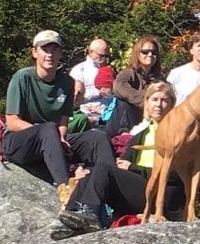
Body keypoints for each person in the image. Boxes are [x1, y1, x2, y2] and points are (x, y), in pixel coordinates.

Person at [0, 30, 114, 202]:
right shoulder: (22, 78)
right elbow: (12, 122)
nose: (50, 55)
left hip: (51, 141)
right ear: (34, 52)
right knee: (48, 129)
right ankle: (65, 190)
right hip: (19, 142)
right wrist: (48, 134)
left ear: (60, 53)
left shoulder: (66, 82)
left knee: (98, 137)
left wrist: (59, 137)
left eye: (55, 49)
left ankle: (111, 188)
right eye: (45, 49)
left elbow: (63, 121)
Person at [58, 81, 186, 233]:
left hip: (163, 196)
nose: (159, 104)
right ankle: (71, 218)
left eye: (165, 100)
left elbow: (177, 175)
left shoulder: (179, 134)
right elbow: (120, 165)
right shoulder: (141, 135)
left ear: (172, 105)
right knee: (91, 174)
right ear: (147, 103)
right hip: (139, 191)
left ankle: (90, 214)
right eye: (154, 99)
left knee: (103, 169)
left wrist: (133, 168)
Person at [109, 36, 164, 137]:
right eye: (145, 52)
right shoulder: (128, 73)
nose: (150, 54)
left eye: (154, 52)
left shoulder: (160, 79)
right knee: (124, 102)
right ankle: (124, 137)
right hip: (124, 122)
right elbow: (119, 87)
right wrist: (146, 103)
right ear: (137, 54)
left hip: (147, 121)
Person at [69, 37, 111, 106]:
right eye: (101, 55)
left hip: (108, 112)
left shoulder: (109, 70)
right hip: (87, 113)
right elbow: (75, 99)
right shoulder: (79, 70)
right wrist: (99, 92)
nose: (104, 59)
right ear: (91, 52)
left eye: (106, 56)